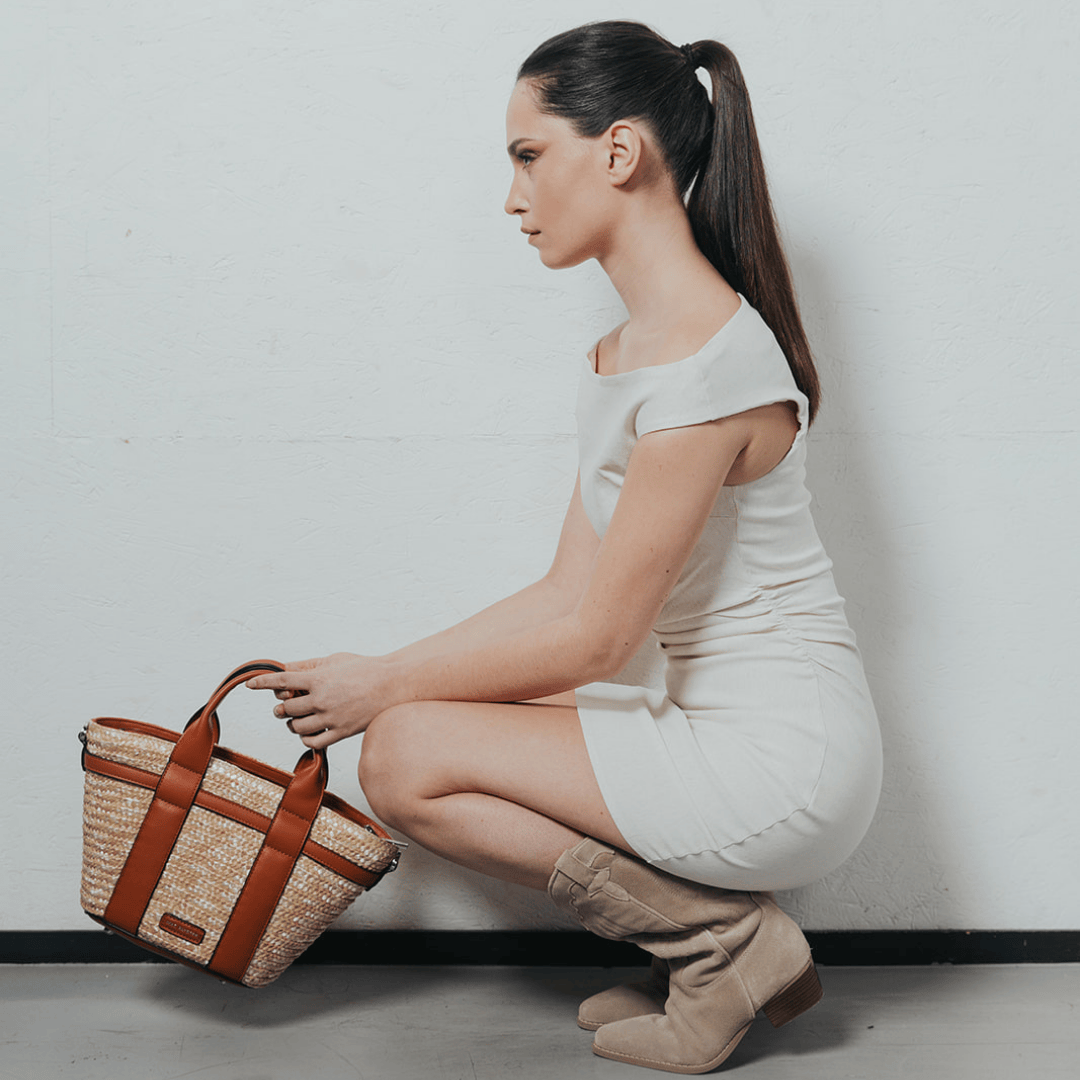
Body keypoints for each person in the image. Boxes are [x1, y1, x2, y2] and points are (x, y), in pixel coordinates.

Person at [247, 20, 883, 1075]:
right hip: (703, 723)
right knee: (410, 721)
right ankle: (709, 940)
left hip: (783, 762)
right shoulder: (634, 352)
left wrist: (388, 692)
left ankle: (720, 943)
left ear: (620, 153)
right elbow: (565, 588)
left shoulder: (702, 371)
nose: (512, 196)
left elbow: (593, 639)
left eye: (528, 155)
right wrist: (380, 676)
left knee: (403, 755)